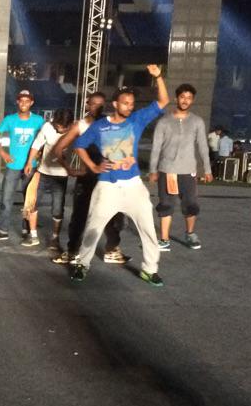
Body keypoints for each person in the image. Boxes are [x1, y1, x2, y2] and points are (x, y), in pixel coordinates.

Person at [69, 65, 170, 286]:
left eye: (132, 104)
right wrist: (93, 166)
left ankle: (150, 269)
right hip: (107, 186)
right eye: (125, 103)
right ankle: (82, 264)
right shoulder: (99, 126)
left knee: (148, 229)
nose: (129, 107)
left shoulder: (136, 120)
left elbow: (163, 101)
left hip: (133, 185)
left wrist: (158, 77)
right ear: (115, 104)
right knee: (93, 228)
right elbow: (79, 145)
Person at [49, 92, 127, 265]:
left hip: (108, 178)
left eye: (101, 104)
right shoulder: (80, 125)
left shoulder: (109, 123)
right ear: (87, 105)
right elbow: (58, 149)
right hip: (87, 178)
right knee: (80, 216)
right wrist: (69, 169)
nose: (97, 107)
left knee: (112, 214)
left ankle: (112, 249)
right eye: (94, 104)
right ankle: (72, 252)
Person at [148, 83, 213, 251]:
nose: (185, 100)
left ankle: (190, 234)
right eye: (182, 97)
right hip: (167, 170)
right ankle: (164, 240)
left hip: (188, 171)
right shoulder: (164, 122)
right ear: (177, 98)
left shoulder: (197, 122)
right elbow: (156, 147)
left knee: (191, 204)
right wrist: (153, 170)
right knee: (166, 205)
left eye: (189, 98)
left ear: (193, 100)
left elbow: (203, 146)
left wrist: (207, 169)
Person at [0, 90, 44, 242]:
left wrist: (40, 154)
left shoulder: (38, 120)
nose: (24, 103)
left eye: (27, 101)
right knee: (6, 199)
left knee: (29, 201)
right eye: (21, 101)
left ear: (31, 103)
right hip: (13, 166)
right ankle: (3, 230)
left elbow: (46, 138)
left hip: (31, 166)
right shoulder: (10, 119)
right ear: (18, 102)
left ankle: (27, 230)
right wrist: (3, 153)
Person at [24, 108, 74, 251]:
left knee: (57, 208)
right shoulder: (47, 127)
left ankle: (55, 238)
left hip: (61, 175)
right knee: (32, 203)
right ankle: (33, 235)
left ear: (70, 125)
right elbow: (36, 144)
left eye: (63, 128)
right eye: (57, 126)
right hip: (43, 172)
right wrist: (29, 162)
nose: (59, 129)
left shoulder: (74, 131)